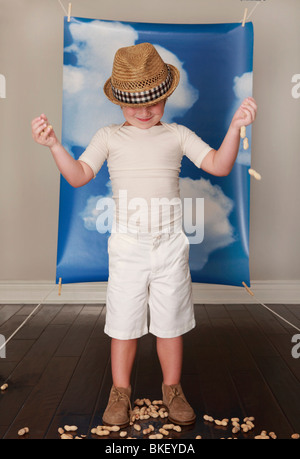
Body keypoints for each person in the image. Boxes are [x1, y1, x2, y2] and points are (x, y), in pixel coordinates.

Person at [31, 42, 257, 428]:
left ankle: (172, 387)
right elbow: (78, 176)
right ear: (119, 102)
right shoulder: (108, 137)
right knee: (124, 321)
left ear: (166, 97)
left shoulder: (178, 135)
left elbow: (219, 165)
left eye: (152, 102)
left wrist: (235, 127)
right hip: (128, 246)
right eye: (133, 103)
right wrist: (53, 145)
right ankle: (120, 390)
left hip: (170, 244)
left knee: (171, 321)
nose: (143, 111)